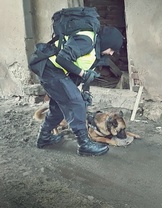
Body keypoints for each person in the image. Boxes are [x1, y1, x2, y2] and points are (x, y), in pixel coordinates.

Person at [35, 26, 124, 156]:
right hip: (49, 70)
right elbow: (61, 59)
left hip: (57, 73)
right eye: (112, 49)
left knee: (58, 107)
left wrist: (86, 91)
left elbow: (86, 73)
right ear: (107, 42)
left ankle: (44, 138)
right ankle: (84, 144)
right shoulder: (86, 41)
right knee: (76, 103)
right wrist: (82, 74)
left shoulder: (96, 50)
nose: (111, 53)